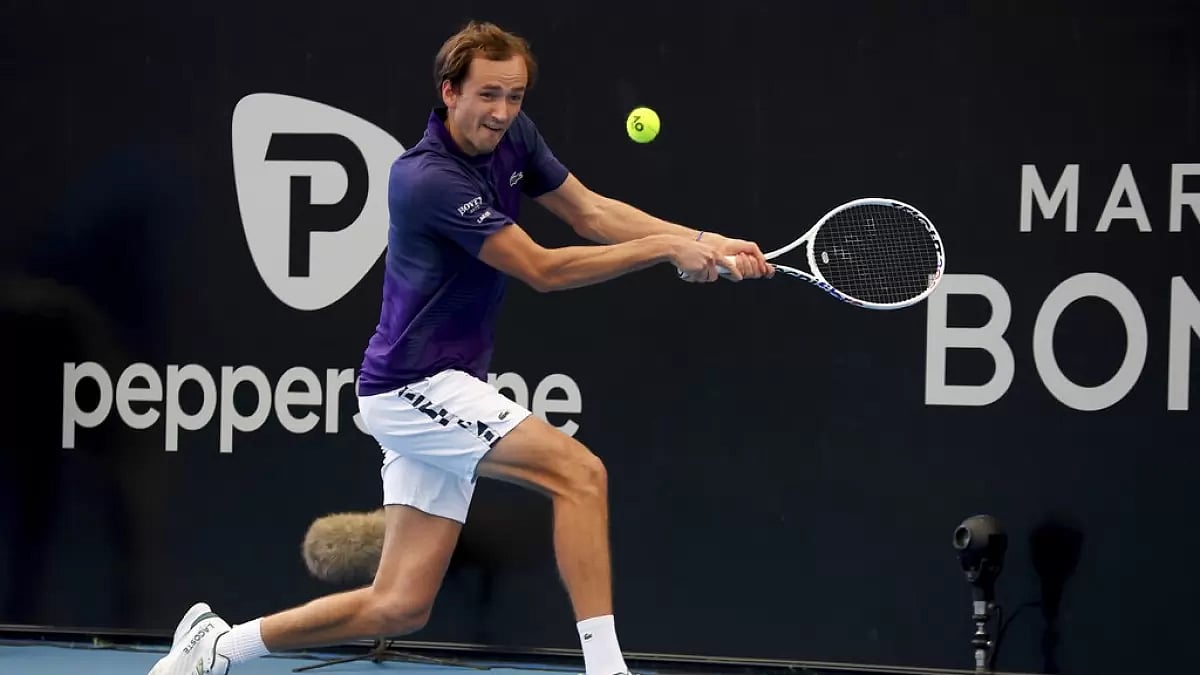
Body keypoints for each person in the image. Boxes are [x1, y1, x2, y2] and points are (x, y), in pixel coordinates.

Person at [149, 20, 773, 675]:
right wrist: (666, 249)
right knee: (580, 474)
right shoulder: (427, 180)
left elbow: (590, 212)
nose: (503, 112)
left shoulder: (514, 138)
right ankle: (606, 668)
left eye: (515, 96)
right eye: (487, 95)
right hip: (410, 386)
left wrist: (703, 238)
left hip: (441, 384)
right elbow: (543, 269)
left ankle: (219, 646)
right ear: (450, 92)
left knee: (399, 605)